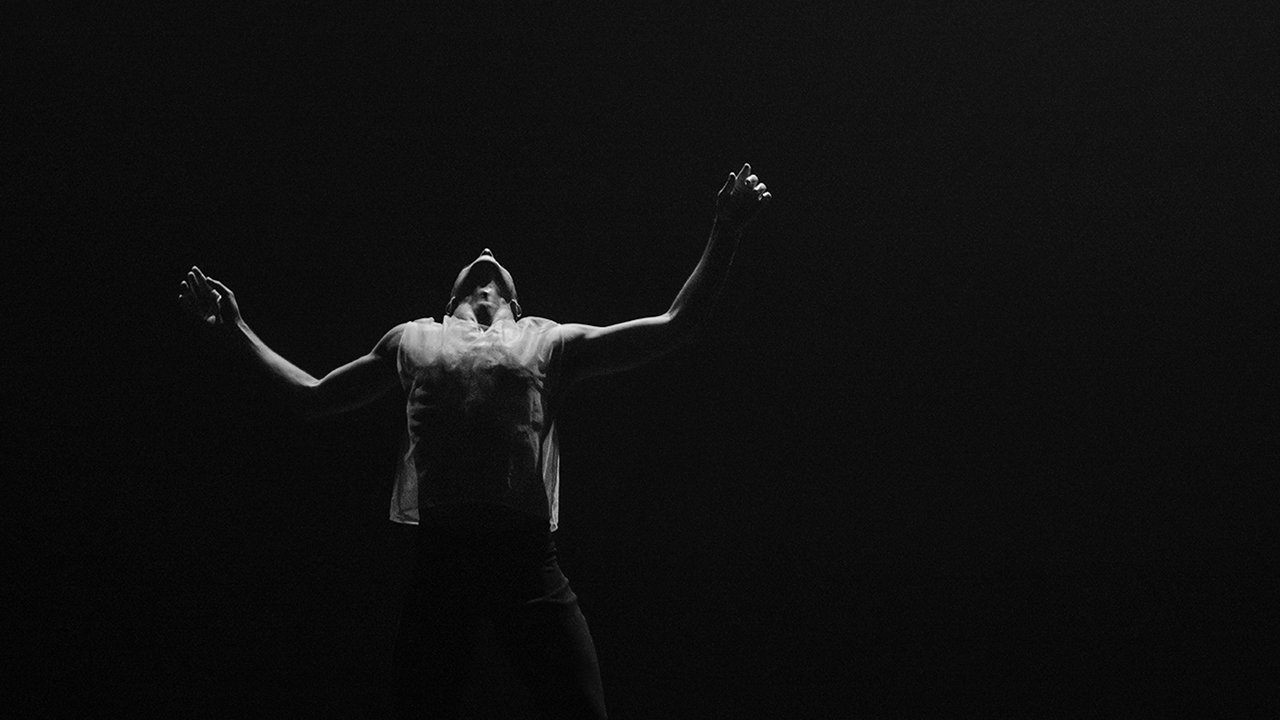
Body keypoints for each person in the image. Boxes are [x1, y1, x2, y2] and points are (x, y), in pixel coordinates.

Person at [179, 163, 770, 719]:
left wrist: (726, 227)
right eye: (476, 266)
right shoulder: (412, 338)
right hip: (444, 556)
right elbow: (314, 395)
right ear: (451, 299)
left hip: (526, 560)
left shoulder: (550, 341)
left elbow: (677, 325)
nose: (486, 257)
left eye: (495, 268)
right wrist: (238, 331)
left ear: (515, 302)